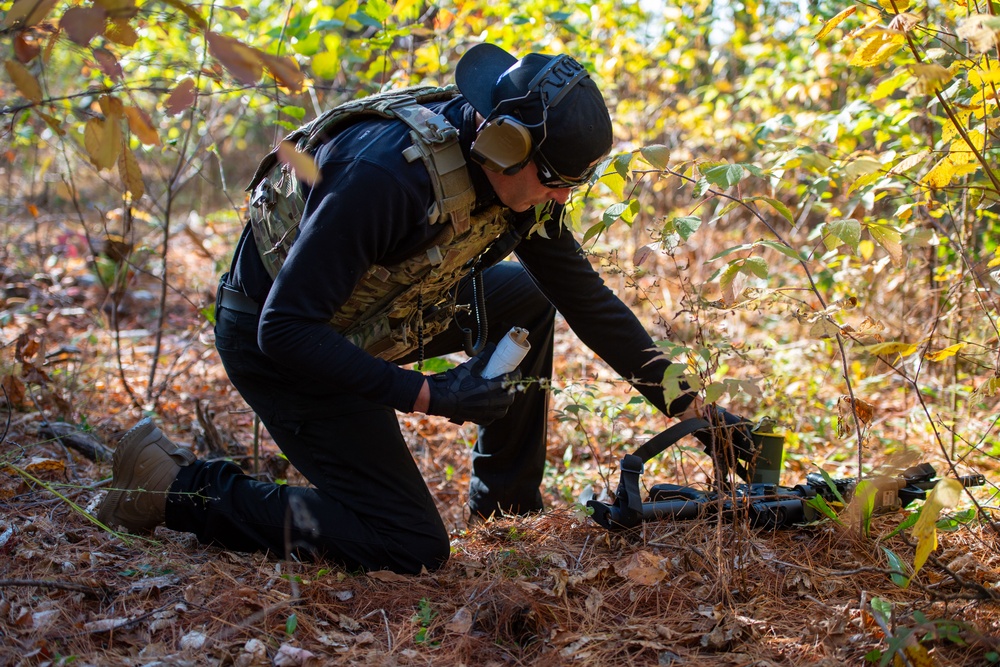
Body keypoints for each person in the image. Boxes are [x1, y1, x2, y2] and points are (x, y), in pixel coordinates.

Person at [97, 43, 756, 574]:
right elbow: (283, 329)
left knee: (526, 298)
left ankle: (505, 507)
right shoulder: (388, 178)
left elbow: (587, 299)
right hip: (282, 341)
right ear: (507, 147)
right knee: (406, 539)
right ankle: (174, 488)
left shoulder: (515, 187)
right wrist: (428, 394)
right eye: (557, 183)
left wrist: (697, 414)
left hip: (370, 311)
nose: (560, 200)